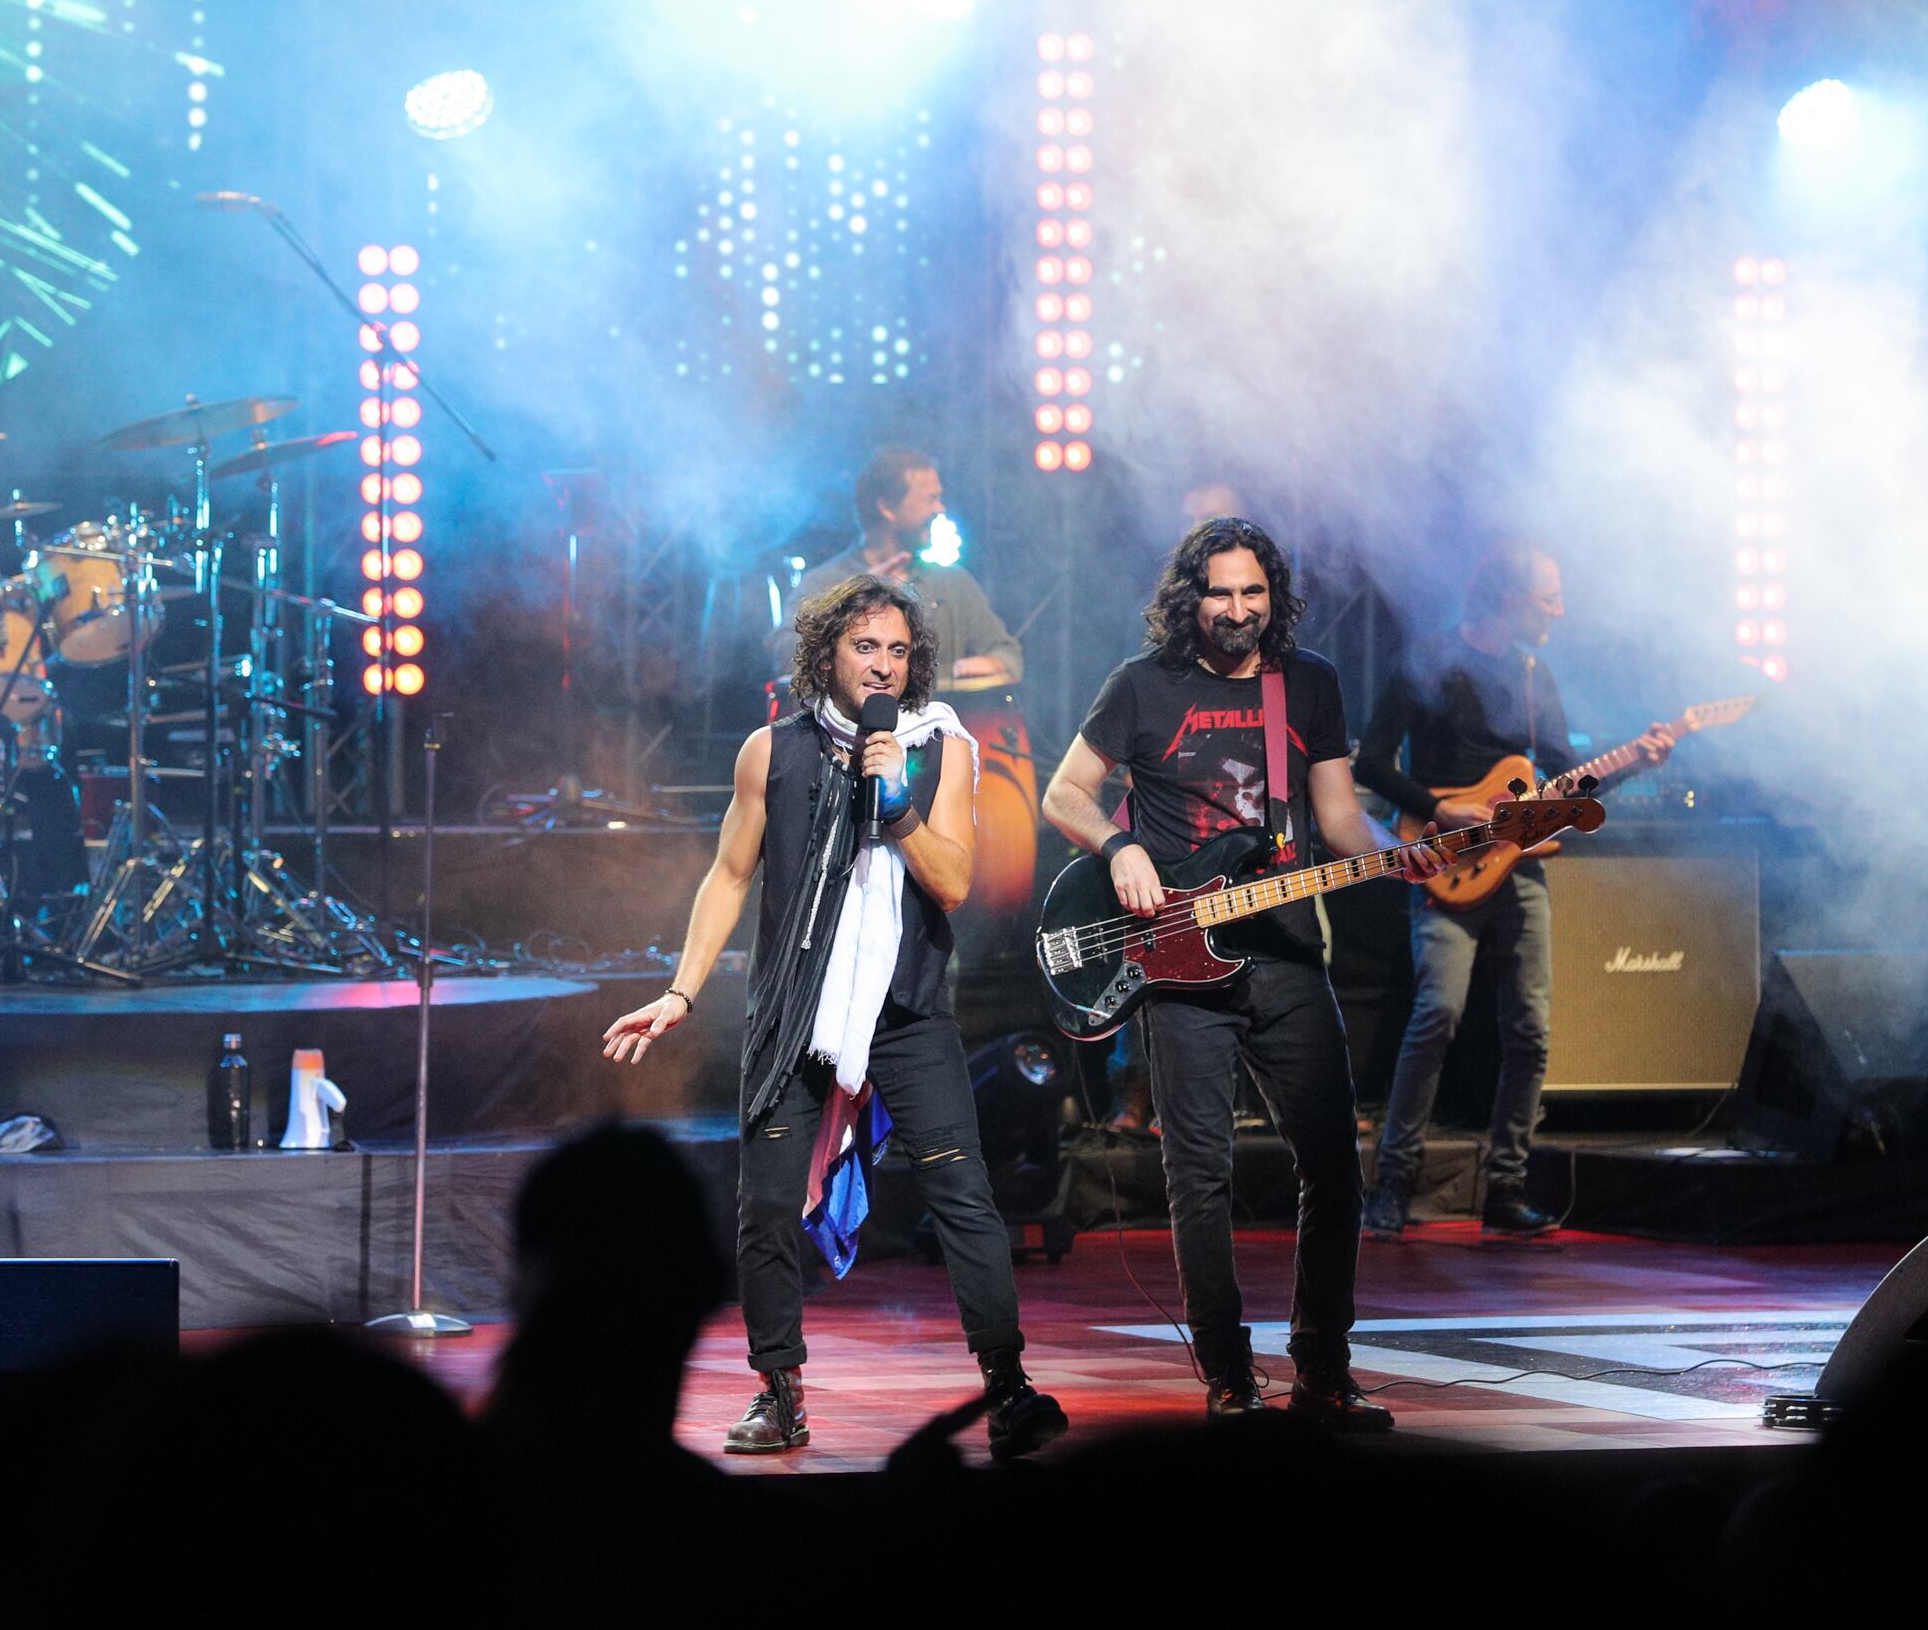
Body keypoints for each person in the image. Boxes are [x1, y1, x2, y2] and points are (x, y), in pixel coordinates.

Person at [606, 574, 1068, 1461]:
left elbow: (954, 882)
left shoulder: (940, 748)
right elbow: (729, 877)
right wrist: (681, 991)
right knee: (767, 1204)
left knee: (963, 1192)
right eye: (865, 647)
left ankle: (1008, 1387)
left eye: (897, 650)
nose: (882, 665)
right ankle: (779, 1391)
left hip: (907, 1008)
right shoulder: (770, 751)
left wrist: (896, 803)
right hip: (796, 1008)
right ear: (826, 654)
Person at [1040, 517, 1441, 1427]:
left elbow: (1338, 820)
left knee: (1333, 1168)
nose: (1237, 609)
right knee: (1199, 1175)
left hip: (1288, 952)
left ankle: (1323, 1369)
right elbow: (1063, 792)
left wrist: (1398, 854)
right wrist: (1119, 848)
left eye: (1252, 592)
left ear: (1274, 597)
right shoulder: (1141, 685)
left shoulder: (1309, 683)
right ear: (1191, 598)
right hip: (1180, 959)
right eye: (1220, 593)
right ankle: (1227, 1373)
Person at [1354, 540, 1673, 1240]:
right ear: (1509, 598)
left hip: (1518, 867)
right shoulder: (1430, 661)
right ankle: (1391, 1185)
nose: (1559, 610)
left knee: (1529, 1028)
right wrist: (1438, 808)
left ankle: (1506, 1187)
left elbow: (1568, 778)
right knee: (1437, 1015)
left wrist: (1636, 762)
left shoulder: (1534, 675)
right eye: (1548, 597)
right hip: (1445, 863)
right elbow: (1370, 762)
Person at [772, 446, 1022, 693]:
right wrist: (859, 599)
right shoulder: (823, 584)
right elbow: (786, 654)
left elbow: (1007, 652)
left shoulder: (953, 583)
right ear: (886, 508)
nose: (940, 509)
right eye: (930, 499)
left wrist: (994, 663)